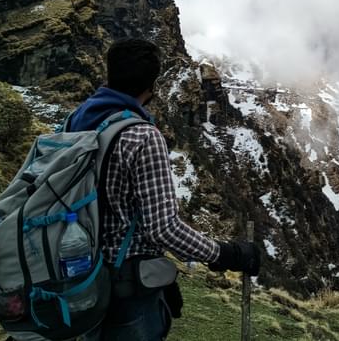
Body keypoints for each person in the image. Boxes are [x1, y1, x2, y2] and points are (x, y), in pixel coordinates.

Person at [67, 38, 260, 341]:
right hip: (123, 284)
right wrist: (225, 254)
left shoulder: (78, 119)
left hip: (77, 271)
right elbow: (163, 229)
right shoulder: (142, 136)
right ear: (152, 85)